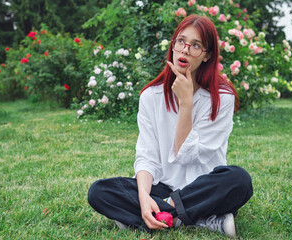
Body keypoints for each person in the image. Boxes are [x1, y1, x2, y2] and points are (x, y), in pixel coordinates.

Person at [88, 15, 253, 238]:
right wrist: (145, 196)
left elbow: (189, 157)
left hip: (206, 187)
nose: (185, 50)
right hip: (165, 186)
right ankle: (200, 219)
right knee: (99, 191)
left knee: (239, 180)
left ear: (207, 55)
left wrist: (186, 104)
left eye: (196, 46)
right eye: (181, 41)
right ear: (173, 45)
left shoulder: (222, 98)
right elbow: (147, 156)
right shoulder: (150, 96)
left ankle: (155, 214)